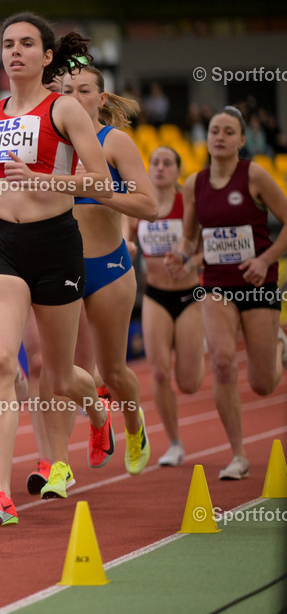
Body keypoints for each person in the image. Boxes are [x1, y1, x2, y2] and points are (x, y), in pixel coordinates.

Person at [0, 12, 114, 527]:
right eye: (7, 44)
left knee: (56, 377)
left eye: (25, 44)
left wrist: (46, 181)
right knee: (2, 363)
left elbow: (102, 184)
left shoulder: (63, 109)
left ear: (46, 57)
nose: (14, 52)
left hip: (55, 244)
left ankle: (98, 409)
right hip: (0, 247)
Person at [165, 106, 287, 480]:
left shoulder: (255, 176)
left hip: (257, 283)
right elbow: (189, 235)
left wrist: (265, 260)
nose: (219, 136)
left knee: (263, 384)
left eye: (228, 132)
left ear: (241, 140)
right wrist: (182, 255)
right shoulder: (194, 184)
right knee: (221, 362)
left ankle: (278, 343)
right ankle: (238, 454)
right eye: (214, 130)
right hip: (216, 284)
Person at [64, 66, 158, 479]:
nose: (76, 97)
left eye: (84, 90)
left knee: (113, 370)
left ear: (101, 99)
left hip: (110, 268)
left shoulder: (114, 142)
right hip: (61, 267)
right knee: (58, 369)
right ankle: (98, 418)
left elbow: (148, 205)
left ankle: (134, 425)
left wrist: (101, 189)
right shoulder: (51, 144)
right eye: (67, 90)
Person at [123, 147, 205, 466]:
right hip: (155, 295)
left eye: (167, 163)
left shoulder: (189, 205)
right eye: (154, 162)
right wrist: (127, 246)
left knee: (188, 382)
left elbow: (206, 249)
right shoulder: (141, 204)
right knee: (158, 374)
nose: (159, 168)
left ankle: (200, 347)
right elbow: (124, 237)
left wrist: (190, 262)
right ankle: (174, 443)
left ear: (177, 170)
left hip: (188, 296)